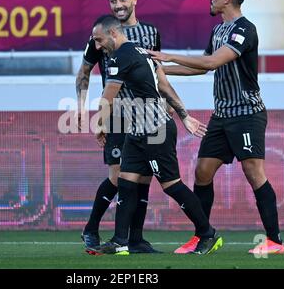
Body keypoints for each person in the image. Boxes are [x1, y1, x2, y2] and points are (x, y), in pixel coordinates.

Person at [148, 0, 284, 255]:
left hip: (247, 112)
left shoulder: (245, 29)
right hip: (222, 115)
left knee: (253, 171)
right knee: (202, 171)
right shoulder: (218, 31)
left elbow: (212, 61)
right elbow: (203, 67)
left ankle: (275, 241)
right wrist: (159, 70)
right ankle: (204, 236)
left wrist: (169, 56)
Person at [90, 14, 222, 255]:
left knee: (172, 185)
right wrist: (183, 115)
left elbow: (109, 95)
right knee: (127, 182)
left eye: (99, 40)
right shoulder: (143, 53)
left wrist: (100, 125)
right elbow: (164, 85)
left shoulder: (120, 57)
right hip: (138, 132)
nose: (98, 47)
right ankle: (121, 241)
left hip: (155, 131)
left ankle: (208, 233)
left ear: (113, 33)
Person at [76, 0, 164, 254]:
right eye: (113, 1)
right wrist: (82, 108)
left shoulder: (150, 32)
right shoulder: (100, 34)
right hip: (117, 115)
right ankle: (91, 227)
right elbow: (84, 72)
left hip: (148, 115)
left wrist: (168, 105)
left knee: (144, 176)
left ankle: (136, 239)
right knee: (117, 178)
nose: (118, 5)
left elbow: (157, 70)